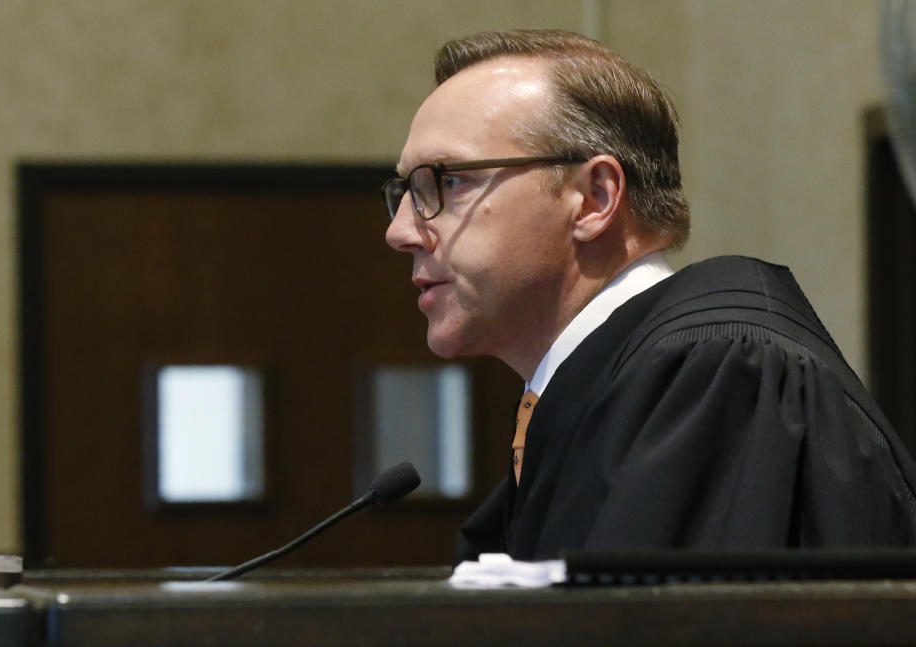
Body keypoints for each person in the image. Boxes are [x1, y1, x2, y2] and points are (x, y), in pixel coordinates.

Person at [381, 29, 916, 562]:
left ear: (595, 198)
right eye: (404, 191)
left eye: (447, 182)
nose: (400, 231)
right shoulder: (601, 399)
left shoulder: (718, 378)